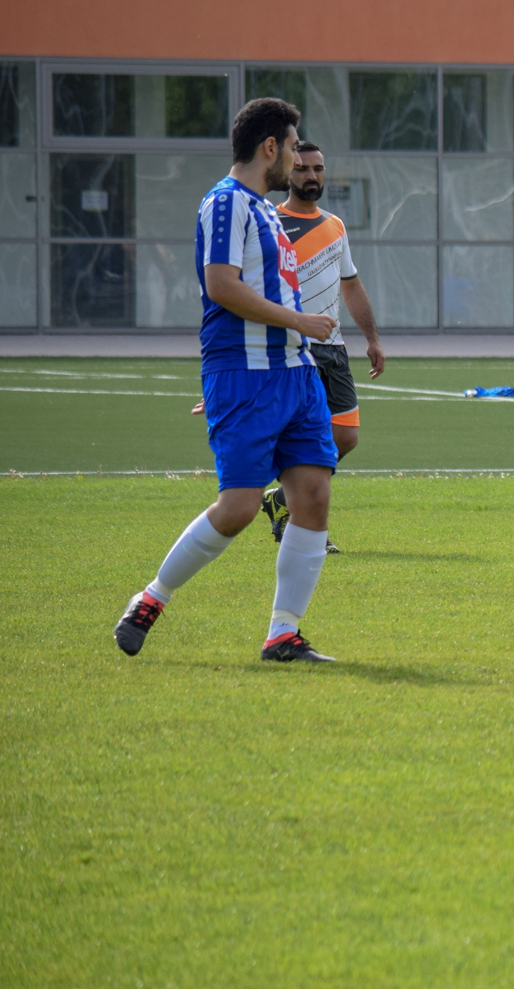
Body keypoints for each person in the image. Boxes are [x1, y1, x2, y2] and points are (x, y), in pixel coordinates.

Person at [114, 98, 342, 662]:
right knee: (239, 507)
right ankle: (151, 598)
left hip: (295, 375)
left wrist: (293, 338)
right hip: (246, 378)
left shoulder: (265, 210)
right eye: (293, 148)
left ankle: (283, 634)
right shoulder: (225, 202)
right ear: (270, 147)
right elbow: (221, 286)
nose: (297, 159)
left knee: (313, 496)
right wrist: (292, 327)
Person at [259, 141, 386, 554]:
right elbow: (248, 290)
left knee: (345, 437)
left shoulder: (335, 225)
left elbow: (351, 284)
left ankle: (281, 500)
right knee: (310, 443)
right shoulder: (270, 223)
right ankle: (308, 531)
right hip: (294, 349)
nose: (311, 175)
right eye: (302, 168)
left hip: (334, 350)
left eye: (318, 168)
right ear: (287, 172)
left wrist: (372, 338)